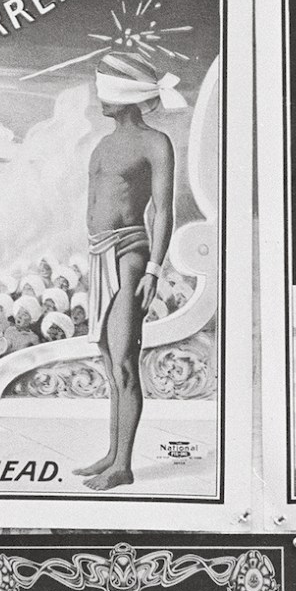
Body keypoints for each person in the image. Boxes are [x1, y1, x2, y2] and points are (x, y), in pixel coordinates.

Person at [81, 49, 182, 491]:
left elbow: (162, 210)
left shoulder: (155, 142)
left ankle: (123, 465)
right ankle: (111, 452)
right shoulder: (102, 144)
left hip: (129, 255)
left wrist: (154, 270)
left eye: (106, 89)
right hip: (98, 256)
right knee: (108, 361)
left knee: (124, 360)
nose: (98, 96)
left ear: (126, 96)